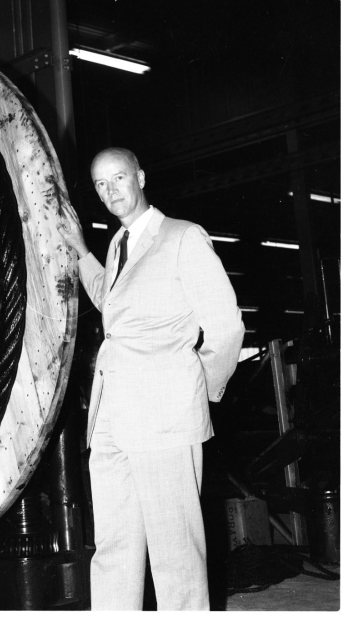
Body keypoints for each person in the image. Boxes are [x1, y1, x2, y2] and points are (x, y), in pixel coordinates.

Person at [58, 147, 244, 610]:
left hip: (164, 417)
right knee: (114, 546)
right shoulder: (117, 245)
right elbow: (112, 303)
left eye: (118, 178)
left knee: (175, 552)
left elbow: (226, 327)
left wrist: (194, 390)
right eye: (100, 184)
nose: (110, 191)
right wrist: (82, 251)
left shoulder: (183, 237)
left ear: (140, 177)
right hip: (111, 418)